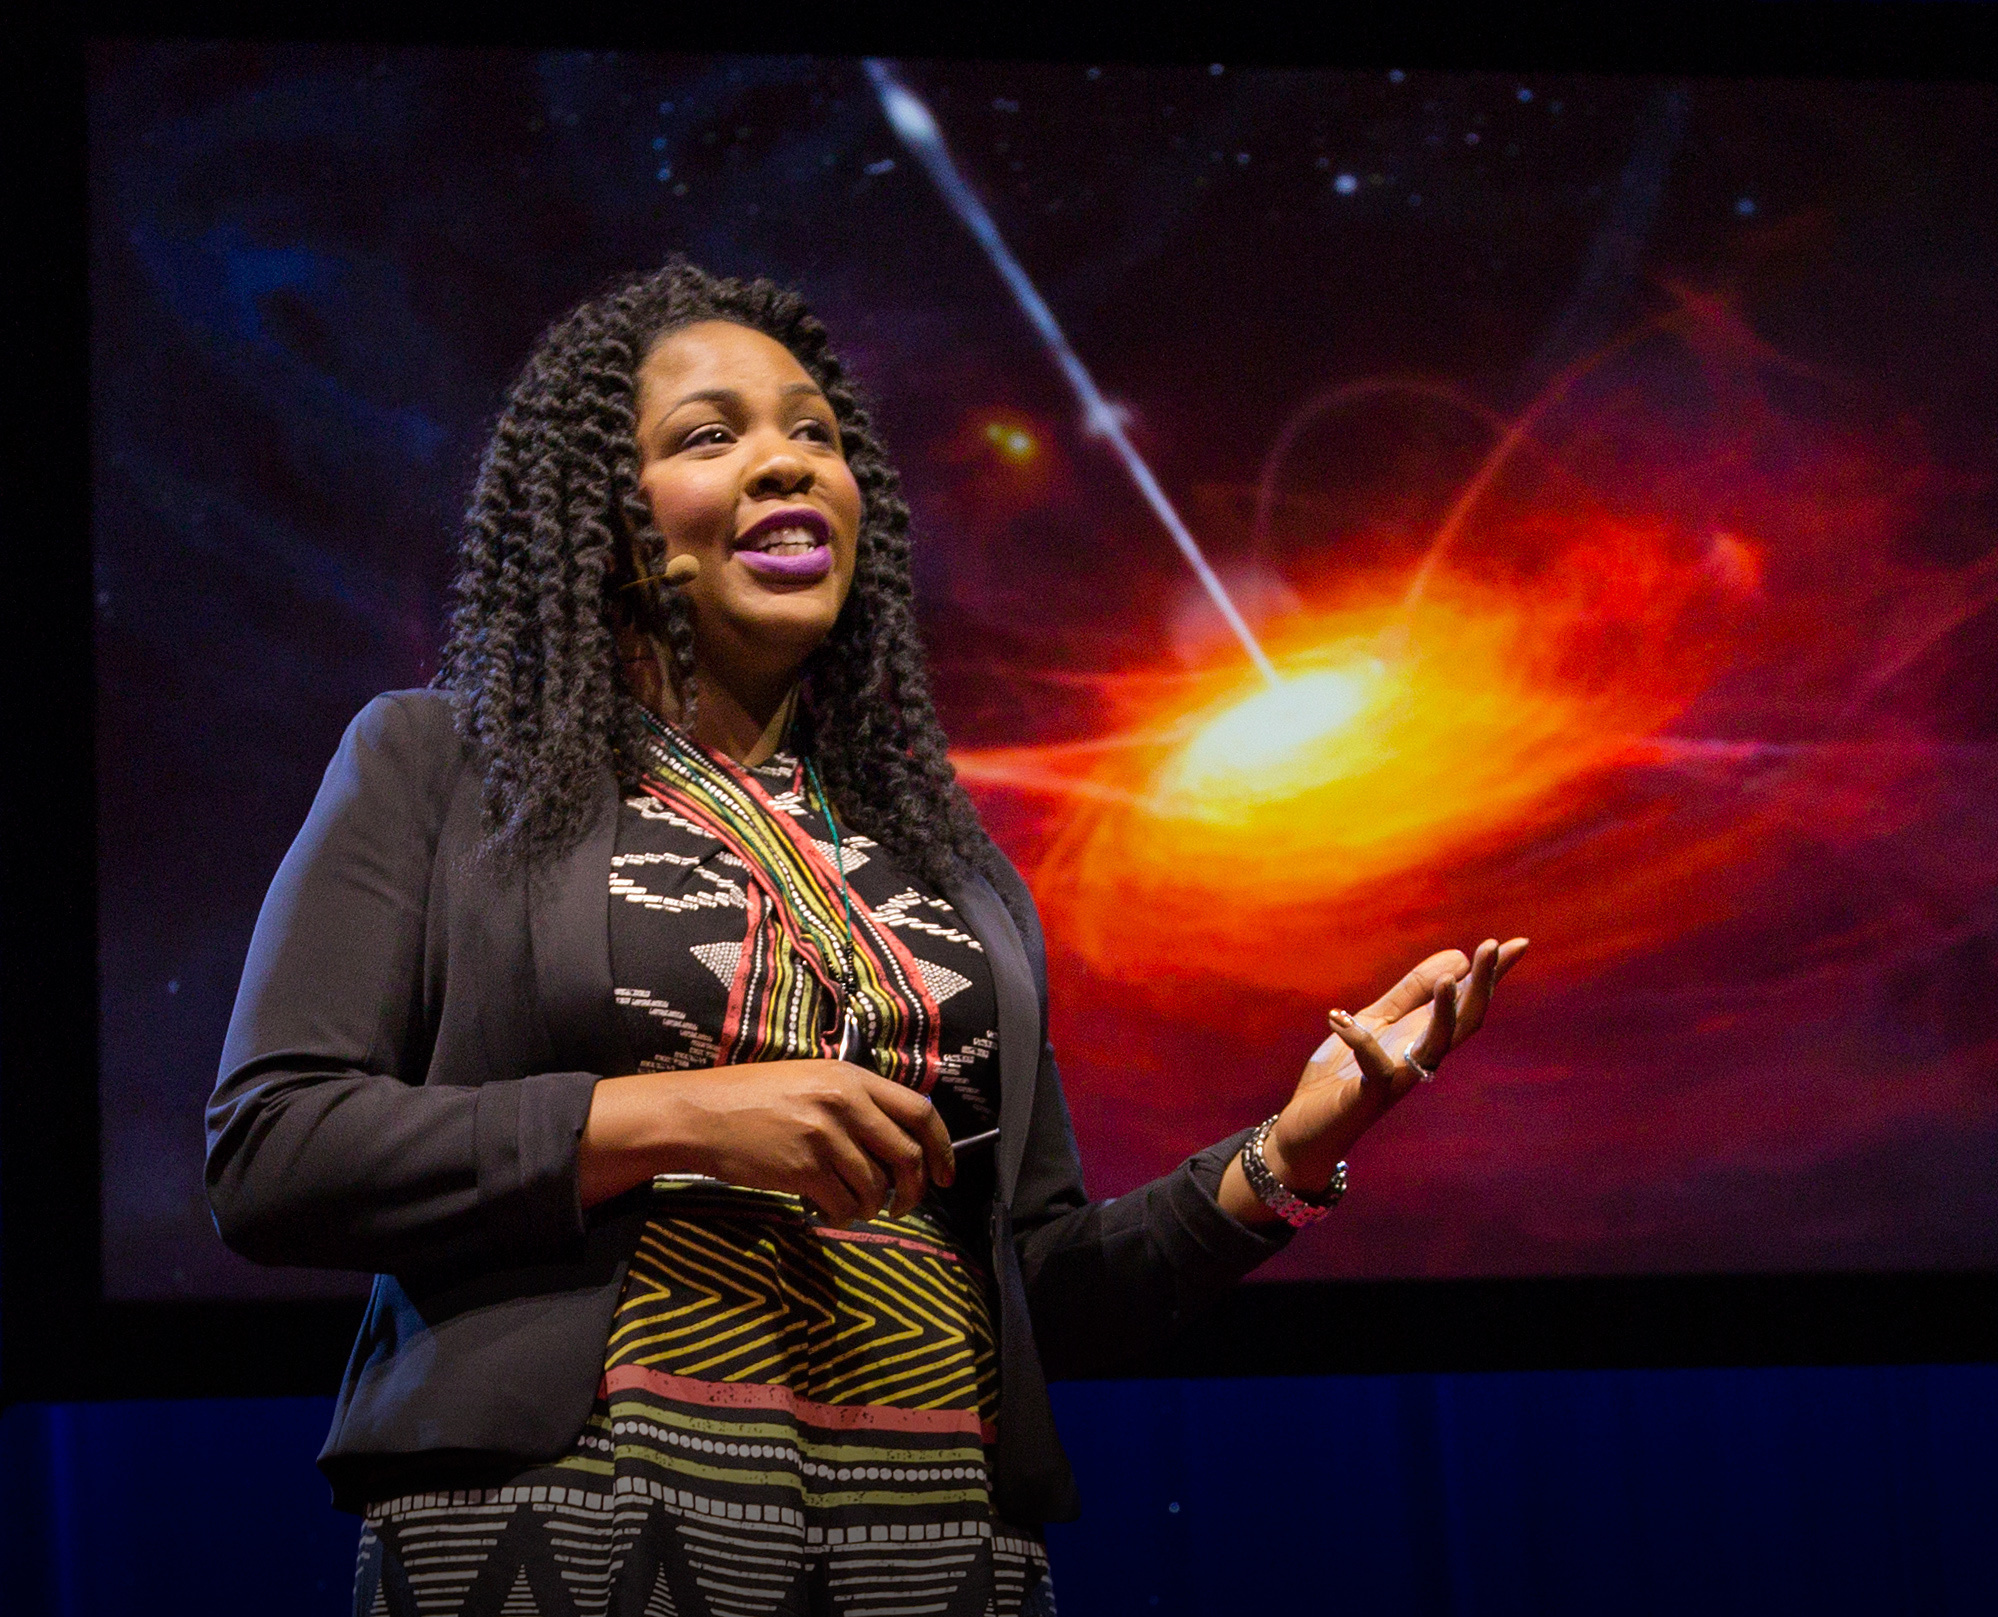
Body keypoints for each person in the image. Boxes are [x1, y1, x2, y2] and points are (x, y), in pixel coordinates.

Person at [206, 261, 1526, 1617]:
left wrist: (1283, 1157)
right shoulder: (438, 766)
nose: (787, 463)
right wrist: (675, 1117)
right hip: (575, 1523)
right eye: (712, 435)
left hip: (937, 1542)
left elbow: (1045, 1289)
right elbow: (273, 1149)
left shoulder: (953, 871)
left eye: (816, 435)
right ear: (613, 521)